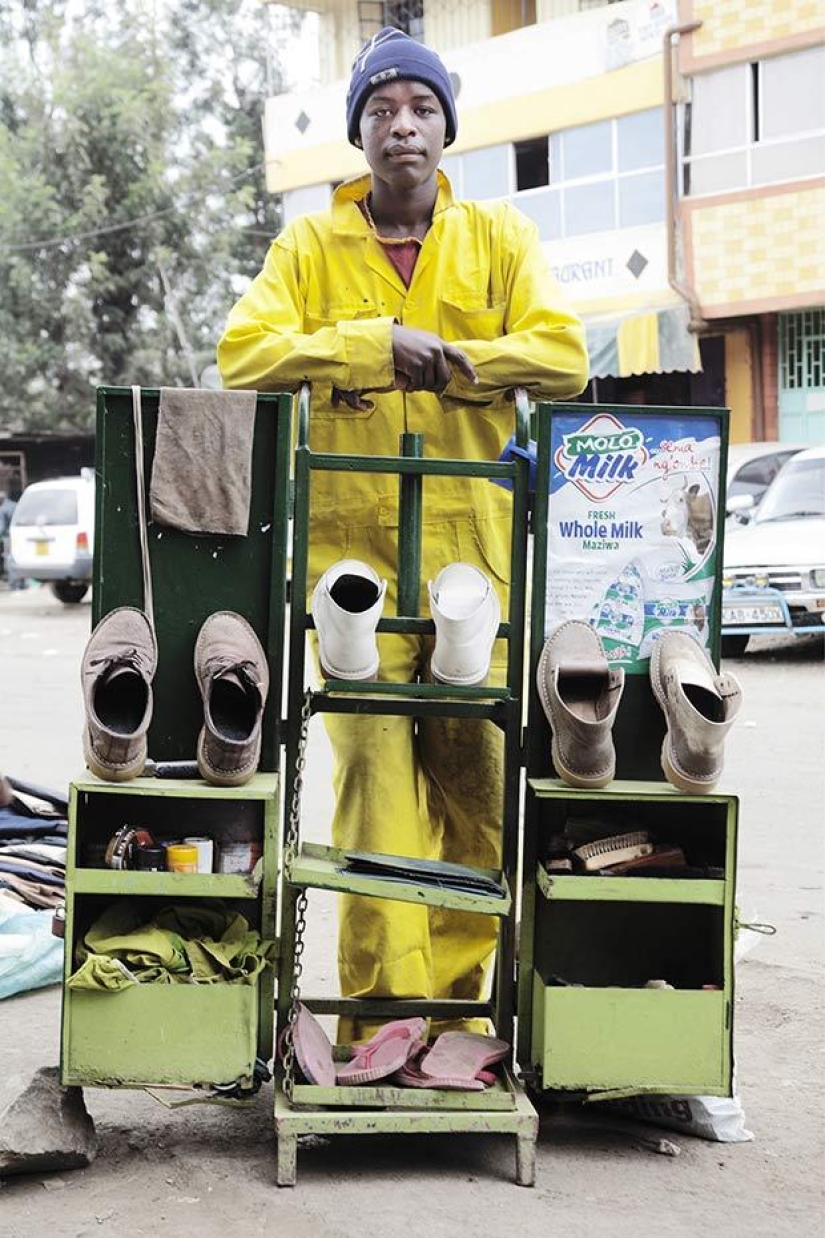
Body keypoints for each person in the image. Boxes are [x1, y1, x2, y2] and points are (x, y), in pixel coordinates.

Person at [218, 28, 589, 1042]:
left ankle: (459, 1022)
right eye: (381, 110)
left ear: (445, 128)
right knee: (376, 785)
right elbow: (242, 353)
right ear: (358, 134)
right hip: (353, 564)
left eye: (420, 108)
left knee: (473, 785)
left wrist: (460, 361)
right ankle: (386, 1020)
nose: (402, 126)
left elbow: (565, 355)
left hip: (473, 556)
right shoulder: (308, 246)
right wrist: (370, 345)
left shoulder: (499, 239)